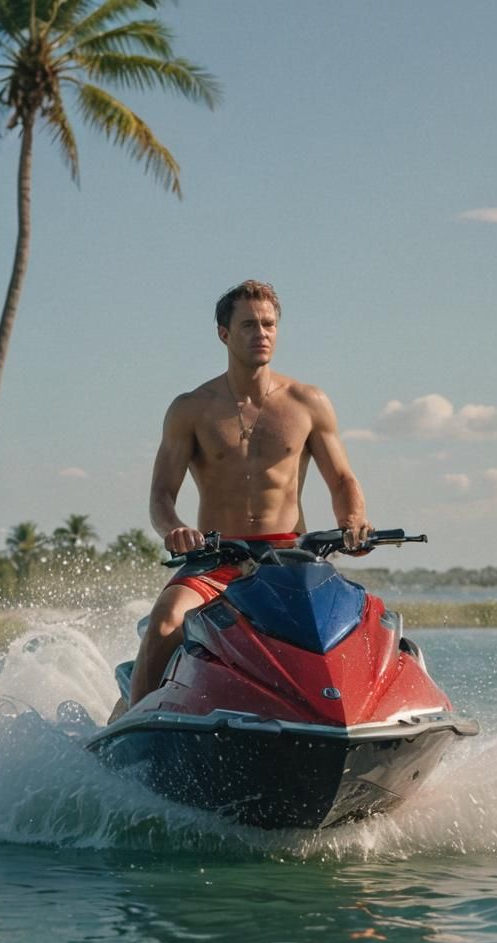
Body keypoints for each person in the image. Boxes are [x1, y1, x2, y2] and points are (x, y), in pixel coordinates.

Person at [108, 280, 370, 722]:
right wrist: (174, 529)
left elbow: (342, 477)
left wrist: (354, 519)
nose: (261, 333)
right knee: (167, 622)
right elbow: (160, 495)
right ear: (223, 333)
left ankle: (357, 716)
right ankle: (137, 722)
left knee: (359, 625)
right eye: (248, 324)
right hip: (216, 559)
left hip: (291, 559)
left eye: (268, 324)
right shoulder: (191, 408)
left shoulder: (308, 402)